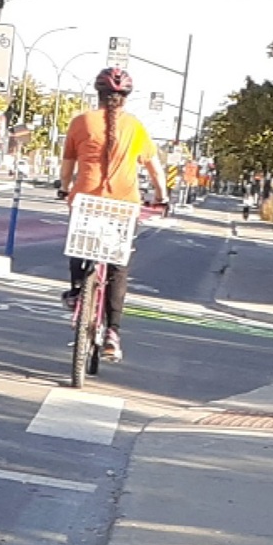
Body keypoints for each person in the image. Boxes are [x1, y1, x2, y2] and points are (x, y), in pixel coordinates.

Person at [58, 67, 166, 362]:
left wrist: (64, 187)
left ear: (99, 95)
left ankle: (78, 290)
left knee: (79, 245)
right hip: (123, 205)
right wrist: (162, 196)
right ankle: (113, 333)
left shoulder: (81, 122)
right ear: (125, 98)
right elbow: (155, 169)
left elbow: (67, 165)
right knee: (118, 266)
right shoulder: (136, 128)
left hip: (85, 201)